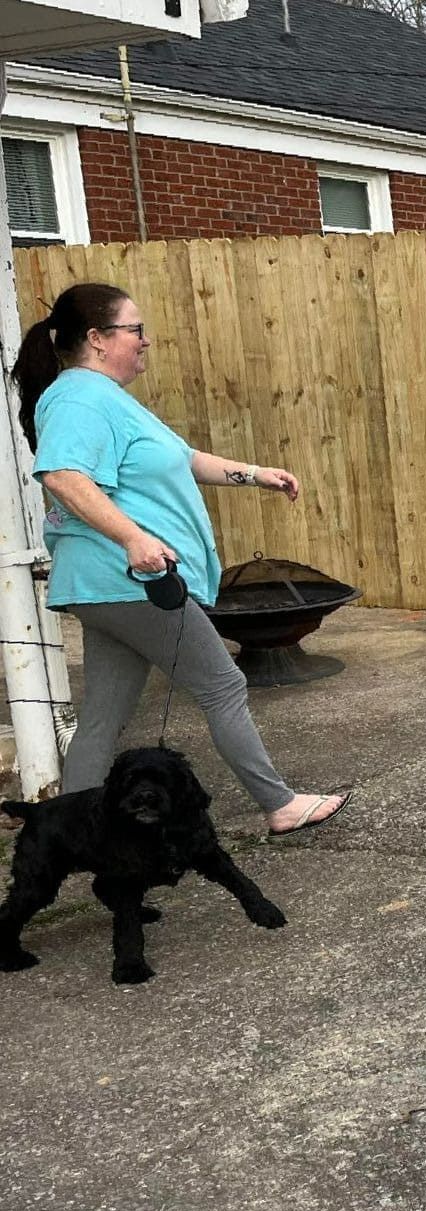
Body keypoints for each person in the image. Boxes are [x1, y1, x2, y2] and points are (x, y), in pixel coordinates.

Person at [11, 282, 349, 837]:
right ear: (97, 339)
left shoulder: (108, 398)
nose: (146, 341)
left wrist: (255, 475)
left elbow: (183, 459)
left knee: (102, 716)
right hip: (130, 580)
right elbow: (62, 474)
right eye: (135, 330)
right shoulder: (79, 398)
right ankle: (280, 803)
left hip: (110, 587)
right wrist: (133, 539)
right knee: (222, 686)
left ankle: (63, 835)